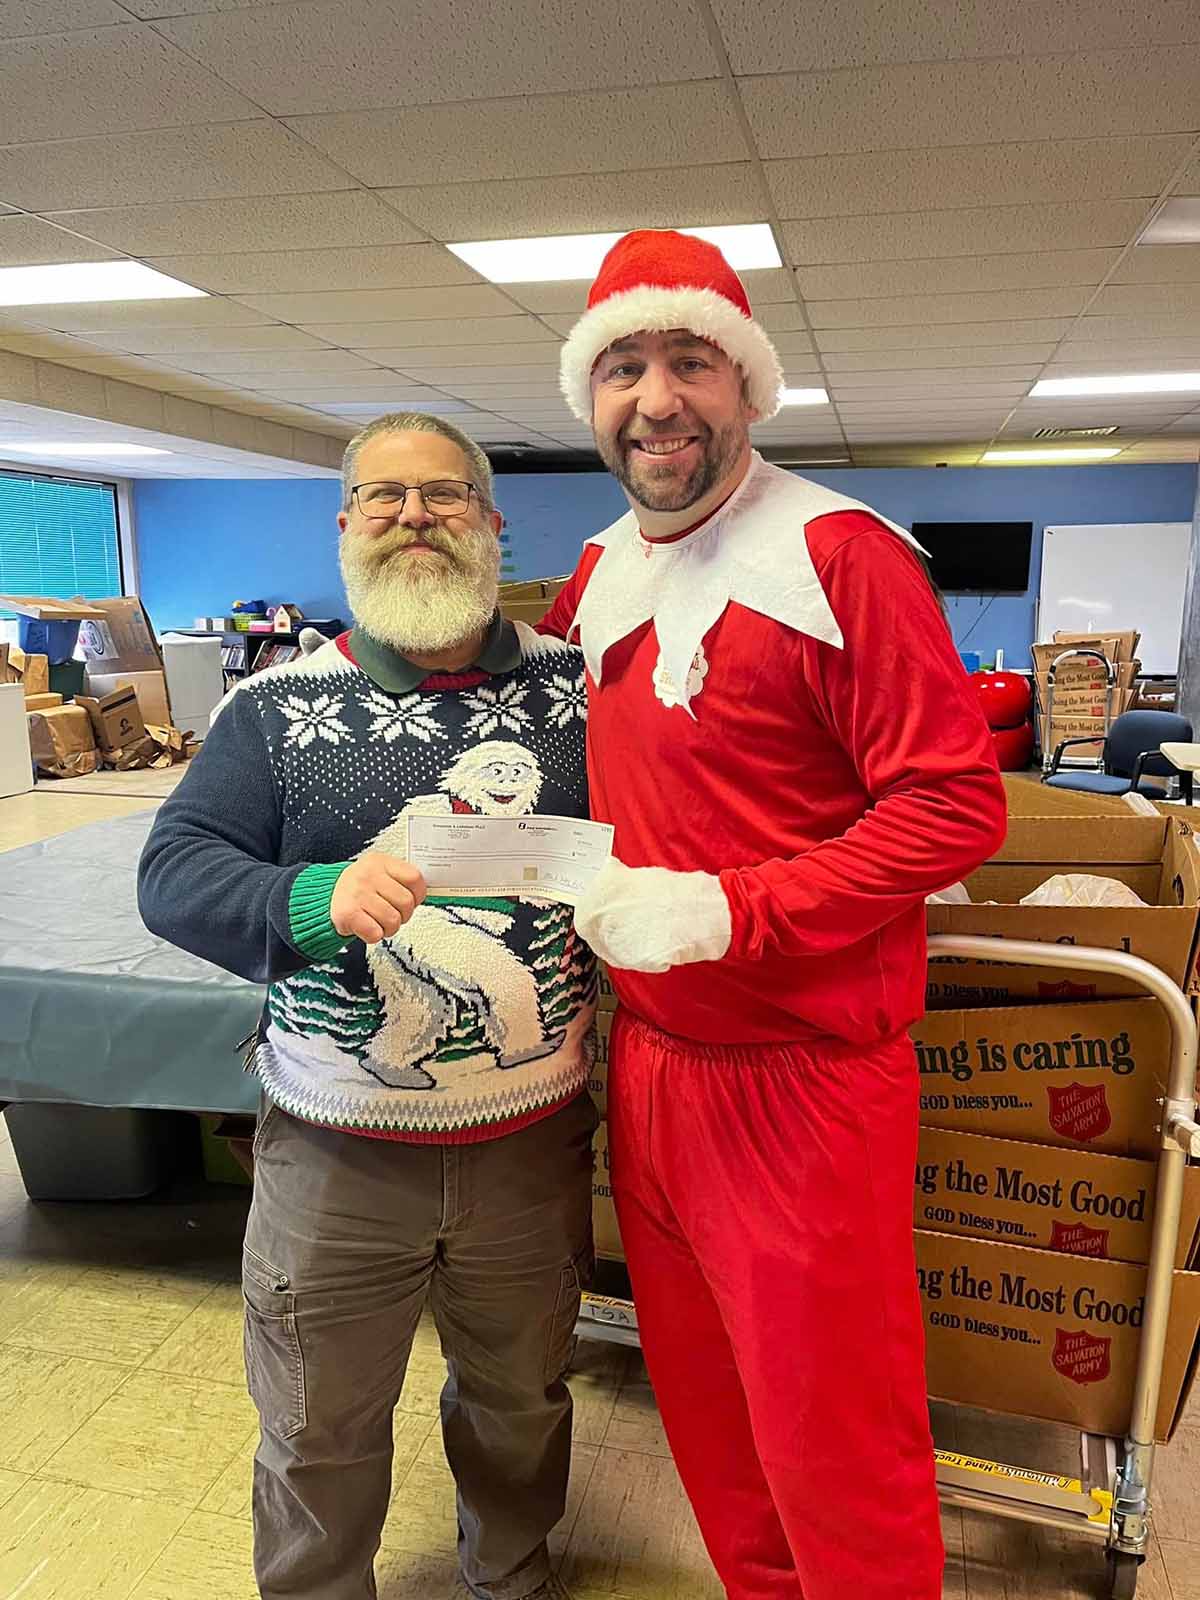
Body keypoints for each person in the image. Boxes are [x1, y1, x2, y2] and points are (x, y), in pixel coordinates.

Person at [537, 230, 1008, 1600]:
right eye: (623, 368)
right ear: (593, 399)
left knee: (833, 1451)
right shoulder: (599, 571)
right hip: (652, 1070)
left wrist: (735, 913)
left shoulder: (845, 559)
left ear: (744, 385)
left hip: (804, 1091)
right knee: (715, 1438)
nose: (657, 399)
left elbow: (952, 811)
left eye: (689, 361)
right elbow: (570, 772)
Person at [139, 411, 596, 1600]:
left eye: (443, 496)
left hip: (533, 1151)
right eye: (382, 499)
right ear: (345, 527)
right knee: (317, 1427)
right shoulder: (276, 707)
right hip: (332, 1160)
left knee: (520, 1403)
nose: (414, 520)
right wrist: (312, 897)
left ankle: (512, 1575)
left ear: (494, 523)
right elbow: (175, 873)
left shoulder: (582, 690)